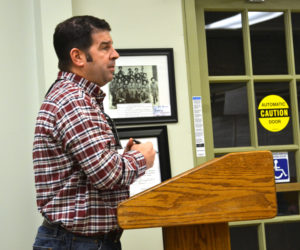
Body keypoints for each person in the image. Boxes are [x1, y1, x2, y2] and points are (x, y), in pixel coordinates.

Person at [32, 15, 156, 250]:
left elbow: (90, 171)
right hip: (76, 243)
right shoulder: (73, 100)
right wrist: (143, 157)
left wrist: (122, 158)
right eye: (105, 47)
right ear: (78, 56)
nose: (115, 54)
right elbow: (106, 175)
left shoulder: (77, 98)